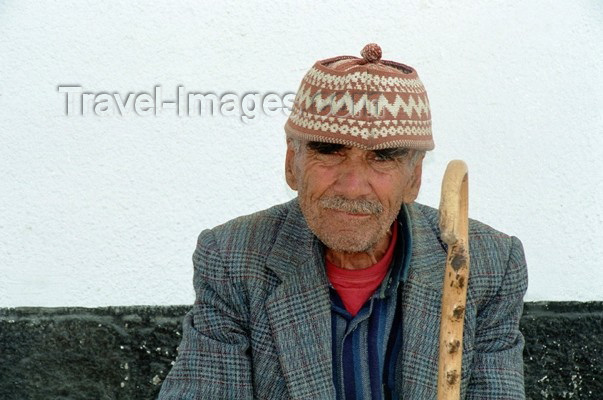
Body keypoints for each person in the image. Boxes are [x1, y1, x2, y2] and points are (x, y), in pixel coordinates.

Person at [158, 43, 528, 400]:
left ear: (414, 177)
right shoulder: (232, 258)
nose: (352, 187)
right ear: (292, 163)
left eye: (382, 158)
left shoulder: (487, 263)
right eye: (330, 152)